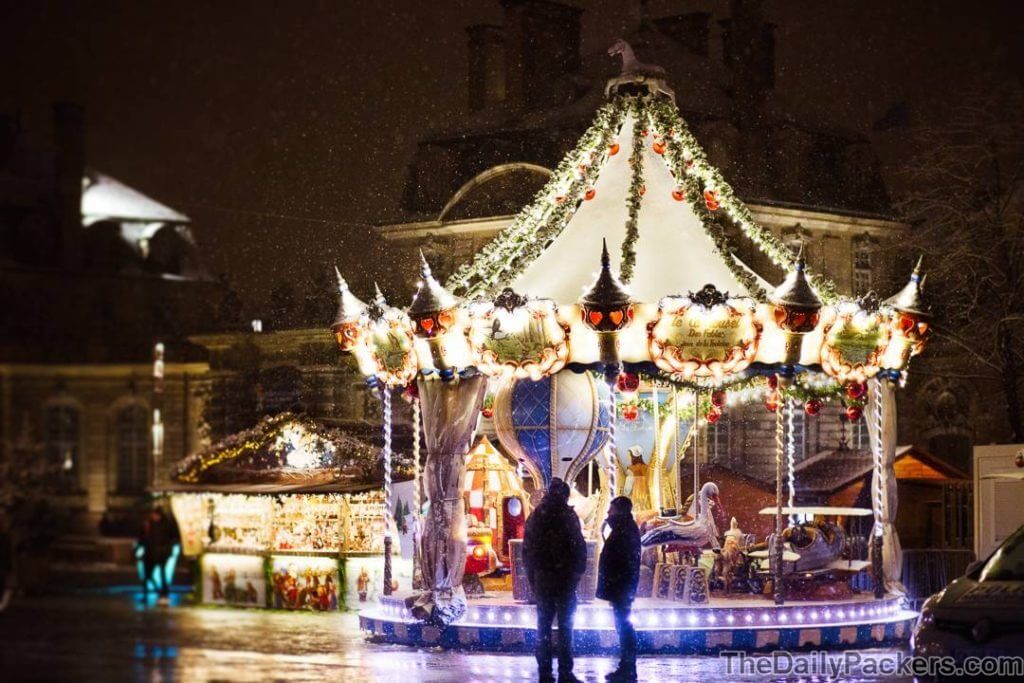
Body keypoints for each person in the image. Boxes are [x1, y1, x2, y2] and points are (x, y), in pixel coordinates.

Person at [523, 478, 587, 683]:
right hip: (565, 579)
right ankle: (565, 670)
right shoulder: (568, 516)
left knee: (544, 626)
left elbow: (528, 551)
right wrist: (576, 573)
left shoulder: (536, 516)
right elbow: (579, 547)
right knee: (566, 626)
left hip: (544, 578)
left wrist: (533, 577)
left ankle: (545, 670)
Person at [596, 496, 642, 682]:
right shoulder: (623, 529)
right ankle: (626, 665)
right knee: (622, 624)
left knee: (624, 625)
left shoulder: (625, 531)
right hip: (620, 586)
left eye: (611, 510)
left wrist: (616, 582)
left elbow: (623, 560)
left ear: (620, 511)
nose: (608, 513)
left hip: (621, 586)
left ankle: (628, 666)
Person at [139, 505, 180, 606]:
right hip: (153, 553)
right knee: (151, 575)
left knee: (157, 574)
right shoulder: (154, 525)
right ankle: (160, 592)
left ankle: (161, 592)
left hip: (158, 553)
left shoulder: (160, 525)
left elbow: (151, 539)